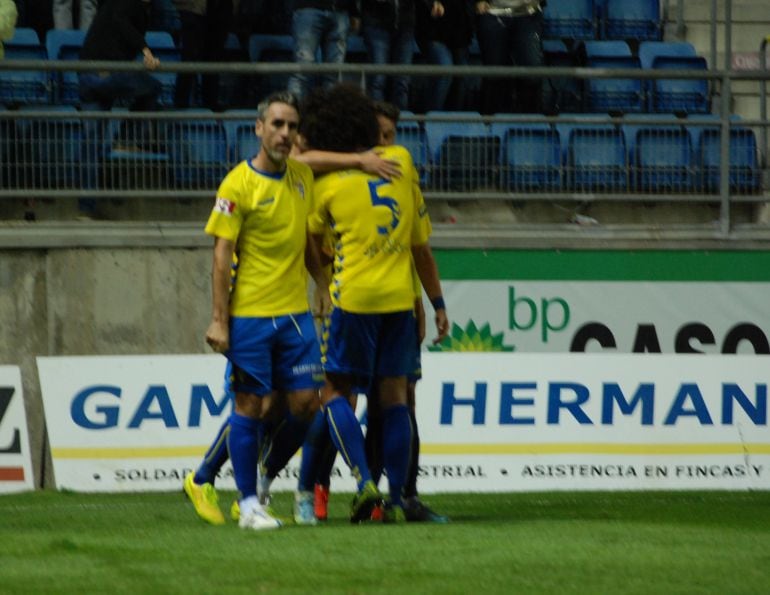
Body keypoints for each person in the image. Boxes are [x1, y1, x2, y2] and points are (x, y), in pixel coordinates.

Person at [304, 83, 449, 522]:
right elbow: (419, 245)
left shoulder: (325, 186)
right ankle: (399, 497)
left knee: (335, 393)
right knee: (396, 401)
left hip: (354, 299)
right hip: (398, 301)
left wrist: (324, 280)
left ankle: (362, 481)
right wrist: (435, 302)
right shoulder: (402, 162)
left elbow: (313, 240)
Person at [200, 90, 331, 531]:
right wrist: (220, 319)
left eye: (292, 126)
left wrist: (323, 286)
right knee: (250, 405)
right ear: (258, 128)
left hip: (295, 316)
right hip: (252, 316)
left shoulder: (301, 178)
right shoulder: (237, 183)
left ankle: (263, 475)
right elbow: (222, 254)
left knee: (307, 405)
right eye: (276, 124)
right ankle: (248, 503)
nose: (284, 133)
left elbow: (305, 239)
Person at [79, 0, 162, 129]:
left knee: (94, 138)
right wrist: (146, 51)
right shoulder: (128, 4)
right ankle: (127, 138)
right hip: (107, 73)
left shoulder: (112, 5)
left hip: (86, 72)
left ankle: (124, 140)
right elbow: (122, 22)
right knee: (153, 87)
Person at [474, 0, 545, 114]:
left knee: (531, 69)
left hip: (529, 14)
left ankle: (530, 124)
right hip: (491, 12)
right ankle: (491, 124)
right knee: (494, 72)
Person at [287, 0, 359, 100]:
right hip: (310, 8)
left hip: (339, 11)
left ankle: (330, 114)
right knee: (302, 70)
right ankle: (294, 113)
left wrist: (353, 12)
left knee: (334, 73)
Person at [172, 0, 234, 109]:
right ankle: (181, 103)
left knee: (214, 57)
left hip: (219, 11)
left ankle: (210, 101)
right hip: (193, 9)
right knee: (190, 56)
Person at [414, 0, 473, 111]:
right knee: (445, 69)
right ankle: (433, 119)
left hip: (459, 29)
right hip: (431, 28)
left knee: (462, 78)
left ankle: (456, 120)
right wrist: (431, 3)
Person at [360, 0, 418, 110]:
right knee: (378, 79)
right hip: (375, 22)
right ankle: (378, 122)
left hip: (405, 25)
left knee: (402, 81)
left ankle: (400, 123)